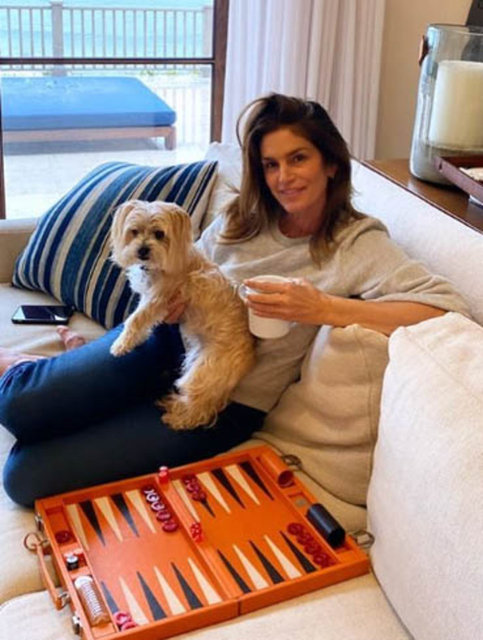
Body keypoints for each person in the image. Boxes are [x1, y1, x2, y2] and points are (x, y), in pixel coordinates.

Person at [0, 93, 468, 507]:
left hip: (226, 398)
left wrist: (324, 309)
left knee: (24, 477)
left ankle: (60, 372)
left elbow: (445, 306)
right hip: (162, 342)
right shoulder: (242, 218)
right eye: (270, 164)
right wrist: (175, 298)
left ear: (331, 163)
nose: (284, 177)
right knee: (20, 405)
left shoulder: (356, 243)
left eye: (298, 158)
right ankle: (44, 370)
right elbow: (185, 264)